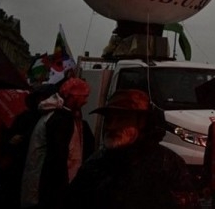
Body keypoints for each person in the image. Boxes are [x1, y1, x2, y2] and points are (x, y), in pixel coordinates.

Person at [63, 89, 199, 209]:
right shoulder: (95, 164)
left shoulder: (166, 163)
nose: (111, 126)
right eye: (109, 120)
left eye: (121, 119)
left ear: (141, 122)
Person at [20, 77, 94, 209]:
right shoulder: (61, 119)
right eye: (83, 97)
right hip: (50, 187)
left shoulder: (54, 115)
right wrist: (64, 189)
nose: (85, 101)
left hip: (43, 183)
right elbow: (58, 158)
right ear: (73, 97)